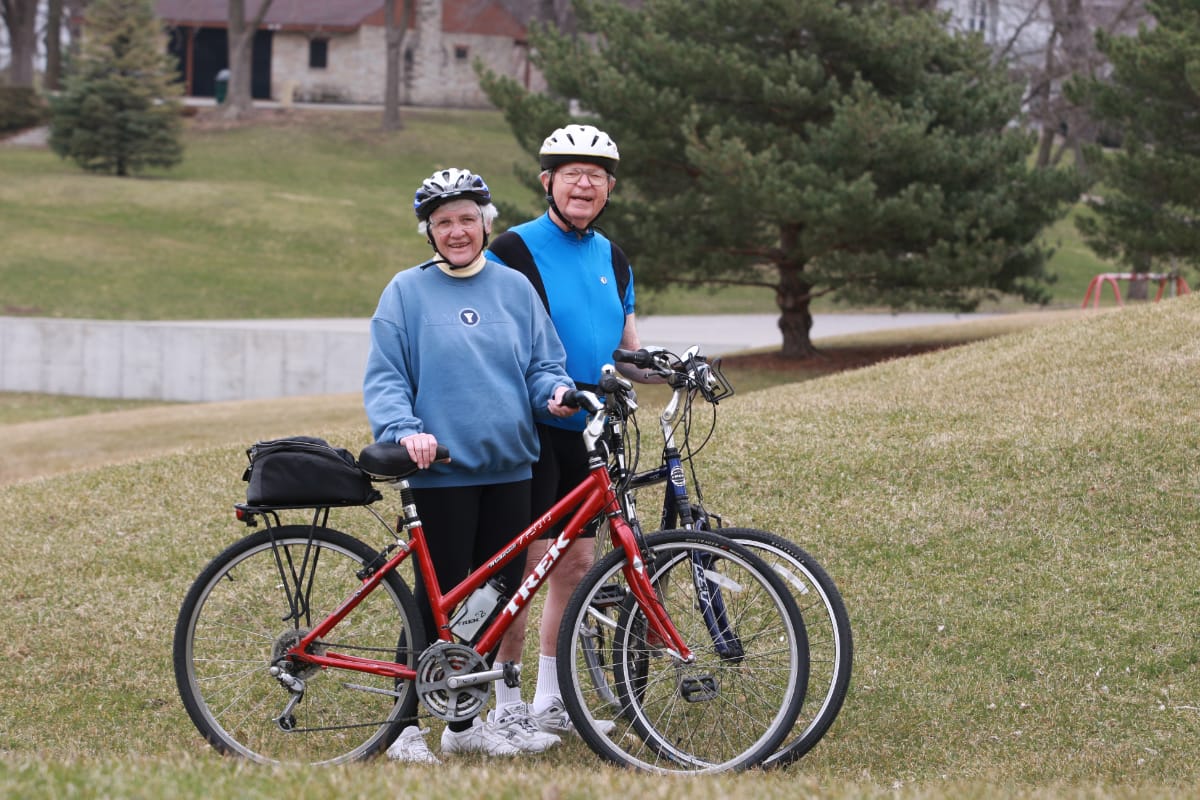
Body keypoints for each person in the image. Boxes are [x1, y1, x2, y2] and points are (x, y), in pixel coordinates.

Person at [363, 167, 576, 763]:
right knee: (441, 609)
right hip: (441, 474)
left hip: (511, 469)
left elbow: (541, 367)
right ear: (428, 233)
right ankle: (405, 729)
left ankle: (462, 726)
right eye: (443, 223)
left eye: (466, 219)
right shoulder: (405, 292)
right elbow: (386, 379)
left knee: (491, 605)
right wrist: (406, 433)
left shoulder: (513, 289)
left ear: (485, 224)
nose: (456, 231)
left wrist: (555, 394)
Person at [487, 124, 662, 735]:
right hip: (532, 429)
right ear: (547, 183)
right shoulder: (510, 250)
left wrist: (672, 367)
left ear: (609, 188)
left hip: (591, 433)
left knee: (577, 563)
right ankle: (505, 706)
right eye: (571, 173)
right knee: (528, 567)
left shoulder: (613, 256)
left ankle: (548, 698)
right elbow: (486, 342)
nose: (584, 183)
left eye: (596, 175)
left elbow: (626, 351)